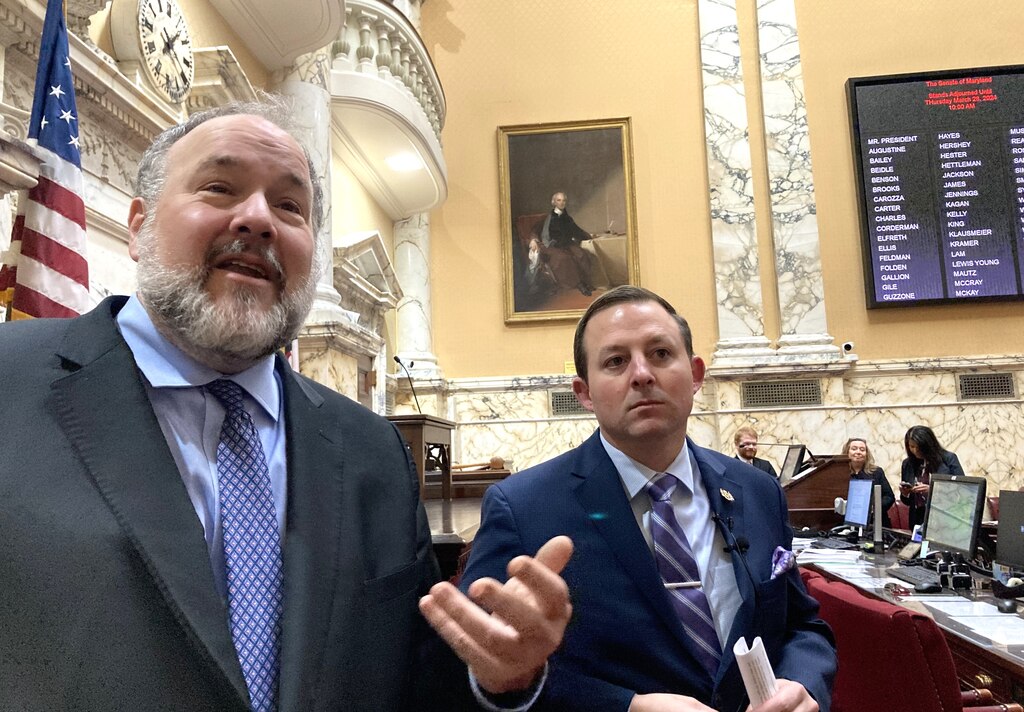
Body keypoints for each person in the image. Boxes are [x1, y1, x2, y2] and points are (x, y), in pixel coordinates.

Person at [0, 98, 573, 712]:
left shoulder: (371, 451)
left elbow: (406, 677)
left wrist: (502, 677)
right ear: (138, 227)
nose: (257, 219)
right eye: (219, 188)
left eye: (289, 206)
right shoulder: (12, 381)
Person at [460, 285, 836, 712]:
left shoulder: (757, 489)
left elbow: (802, 626)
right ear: (584, 392)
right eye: (616, 361)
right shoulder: (524, 508)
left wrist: (804, 685)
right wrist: (625, 706)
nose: (642, 374)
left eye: (660, 353)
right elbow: (484, 670)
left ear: (695, 375)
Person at [899, 425, 965, 529]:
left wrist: (933, 490)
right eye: (911, 447)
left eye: (918, 447)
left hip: (945, 519)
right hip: (918, 520)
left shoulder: (948, 459)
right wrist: (905, 493)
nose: (915, 451)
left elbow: (963, 490)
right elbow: (907, 502)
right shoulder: (908, 464)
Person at [536, 191, 596, 296]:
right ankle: (579, 285)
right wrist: (546, 244)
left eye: (564, 200)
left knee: (582, 254)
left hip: (567, 243)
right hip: (554, 245)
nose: (562, 203)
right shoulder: (549, 218)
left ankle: (587, 282)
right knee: (565, 259)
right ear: (553, 202)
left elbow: (576, 230)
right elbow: (545, 235)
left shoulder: (567, 217)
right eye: (559, 200)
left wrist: (589, 236)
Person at [840, 437, 895, 528]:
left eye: (862, 450)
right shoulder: (839, 473)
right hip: (846, 523)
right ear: (847, 452)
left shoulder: (877, 472)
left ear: (866, 454)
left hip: (875, 523)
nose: (858, 452)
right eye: (854, 449)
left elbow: (889, 497)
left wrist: (873, 508)